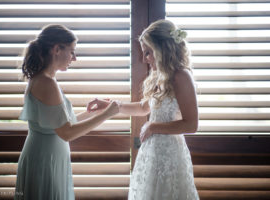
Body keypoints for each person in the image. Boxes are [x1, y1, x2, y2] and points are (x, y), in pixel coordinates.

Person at [87, 19, 199, 200]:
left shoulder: (182, 76)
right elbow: (143, 107)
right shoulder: (160, 77)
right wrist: (109, 105)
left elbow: (192, 124)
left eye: (148, 52)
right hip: (152, 153)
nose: (144, 58)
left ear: (162, 49)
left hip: (170, 154)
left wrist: (153, 127)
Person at [14, 24, 119, 200]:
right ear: (56, 49)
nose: (74, 58)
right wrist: (107, 114)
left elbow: (59, 125)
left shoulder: (43, 79)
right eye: (72, 51)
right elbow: (66, 133)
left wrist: (92, 113)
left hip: (44, 157)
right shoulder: (47, 83)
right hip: (45, 162)